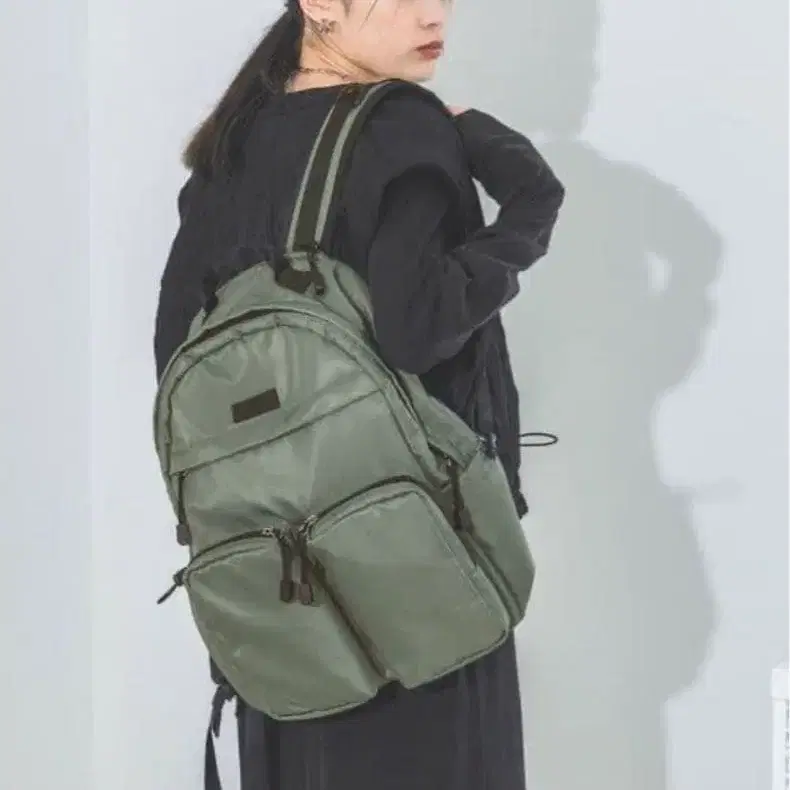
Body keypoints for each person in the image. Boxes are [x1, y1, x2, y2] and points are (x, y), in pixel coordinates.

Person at [153, 0, 565, 788]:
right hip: (415, 571)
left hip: (276, 595)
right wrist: (530, 202)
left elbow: (177, 358)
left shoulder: (232, 144)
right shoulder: (401, 126)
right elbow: (416, 332)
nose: (434, 14)